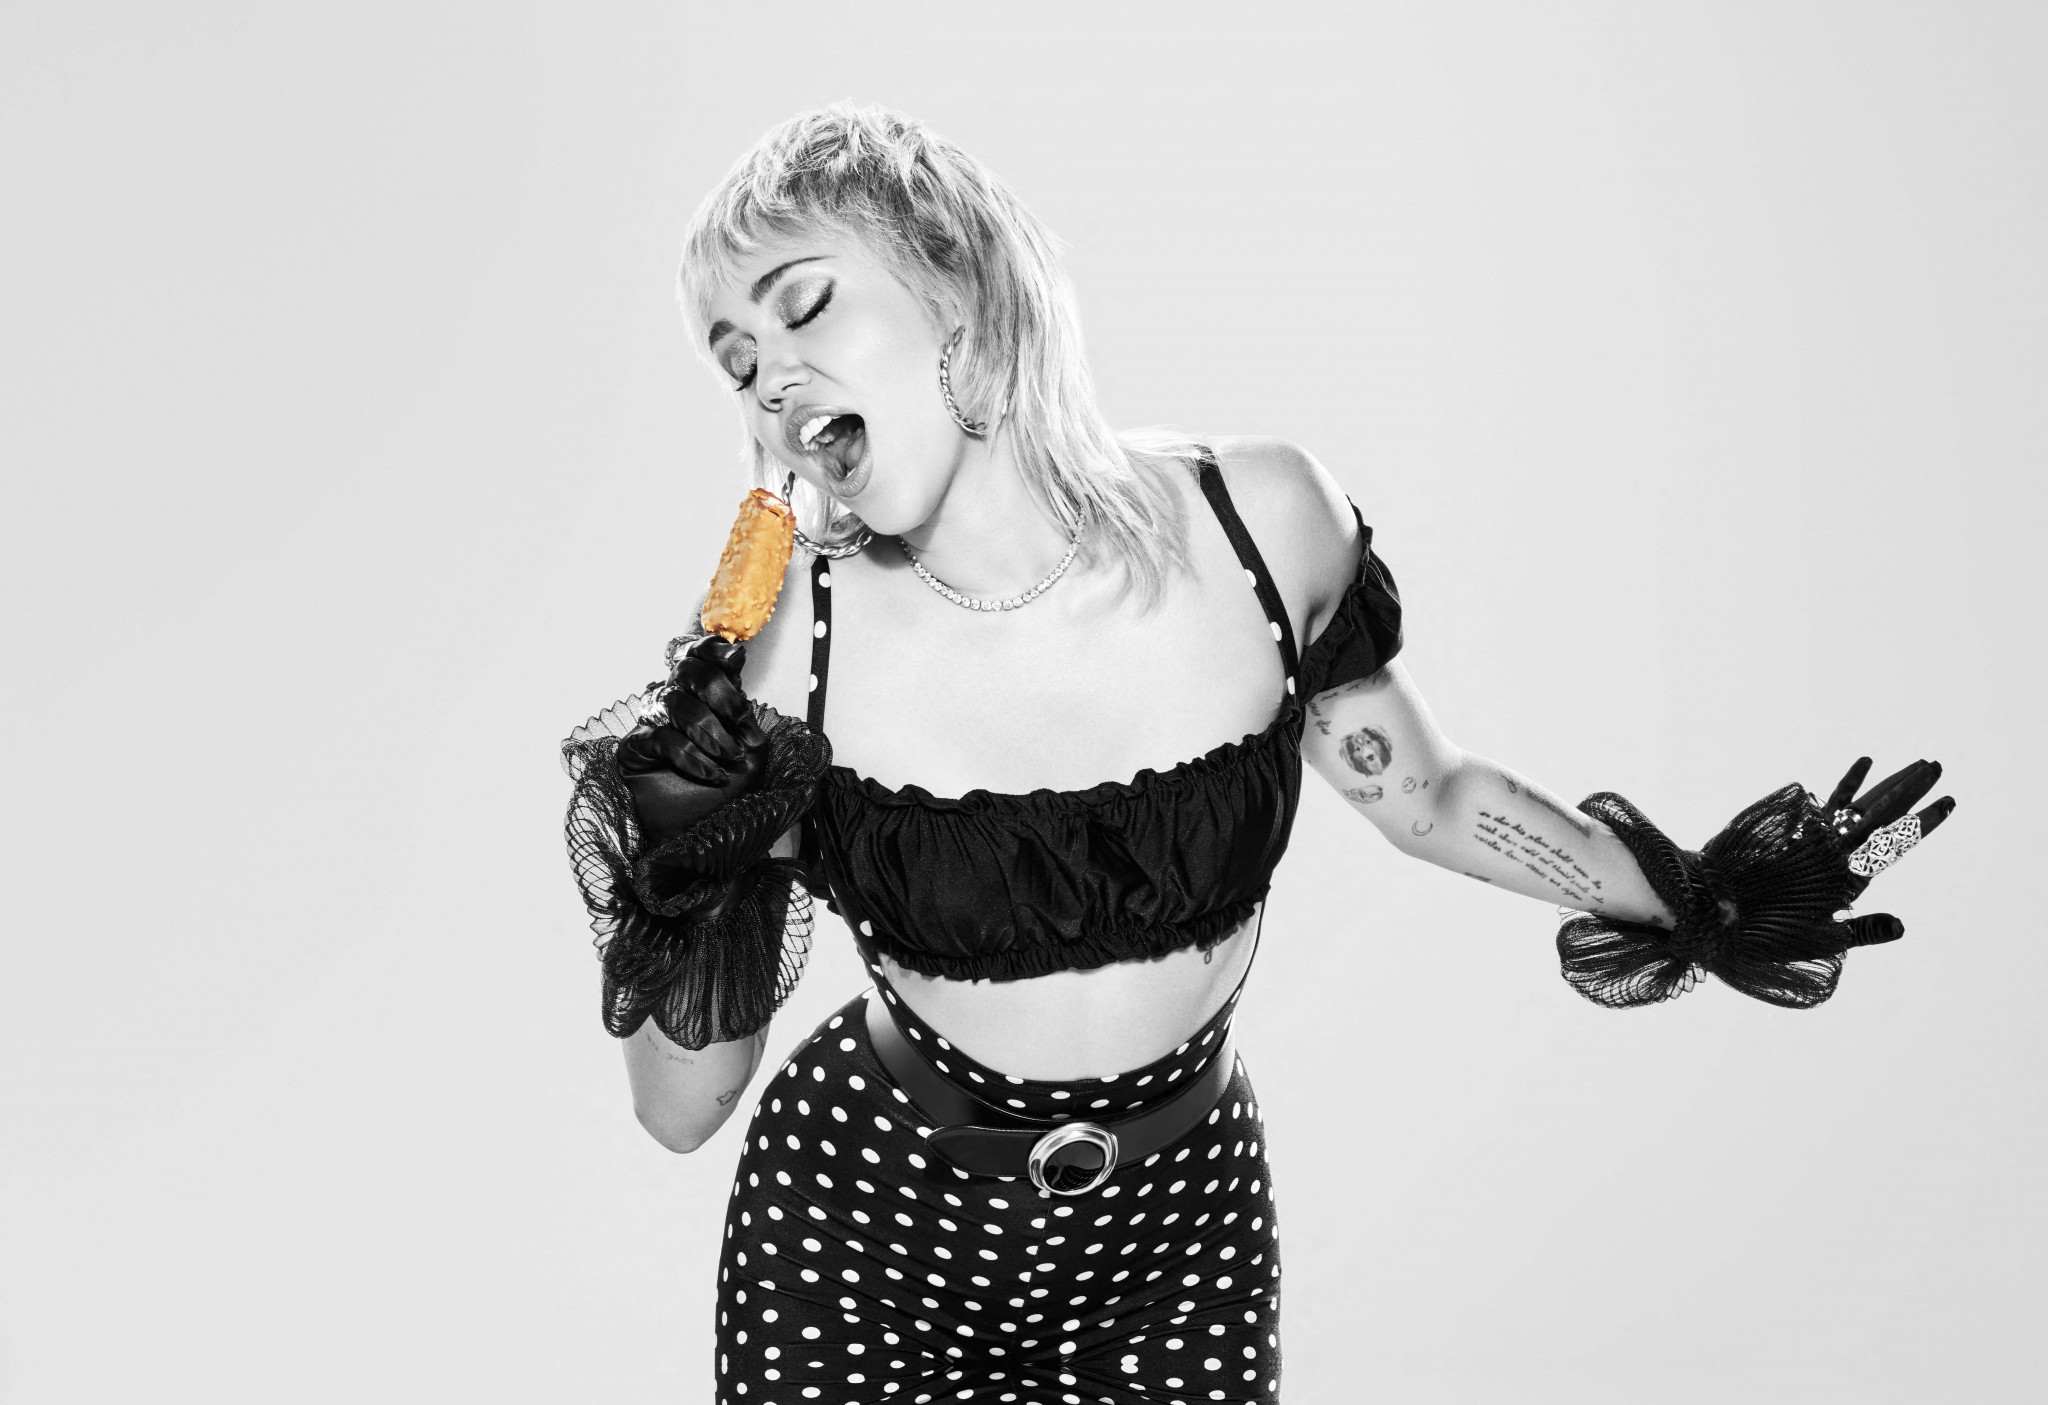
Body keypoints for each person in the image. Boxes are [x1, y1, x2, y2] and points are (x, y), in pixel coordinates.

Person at [560, 105, 1954, 1405]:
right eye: (736, 362)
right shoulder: (788, 654)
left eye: (803, 304)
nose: (771, 377)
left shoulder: (1259, 527)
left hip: (1180, 1233)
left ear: (957, 283)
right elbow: (681, 1111)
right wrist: (686, 844)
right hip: (869, 1229)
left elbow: (1428, 796)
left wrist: (1705, 898)